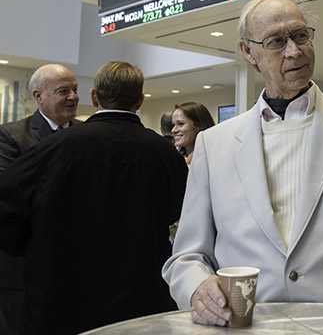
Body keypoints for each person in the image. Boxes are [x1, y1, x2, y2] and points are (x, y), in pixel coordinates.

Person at [163, 0, 323, 327]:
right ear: (248, 51)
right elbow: (187, 256)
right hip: (247, 326)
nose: (294, 50)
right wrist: (197, 287)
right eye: (277, 41)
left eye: (300, 35)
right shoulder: (214, 144)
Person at [0, 61, 189, 335]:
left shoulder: (54, 148)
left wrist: (37, 246)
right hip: (142, 295)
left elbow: (6, 207)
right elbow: (180, 211)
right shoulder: (165, 153)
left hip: (62, 296)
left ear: (94, 97)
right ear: (140, 100)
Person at [0, 64, 80, 335]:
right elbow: (11, 202)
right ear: (38, 96)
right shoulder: (11, 136)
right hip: (23, 268)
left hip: (77, 266)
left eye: (75, 89)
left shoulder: (87, 136)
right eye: (63, 91)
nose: (73, 96)